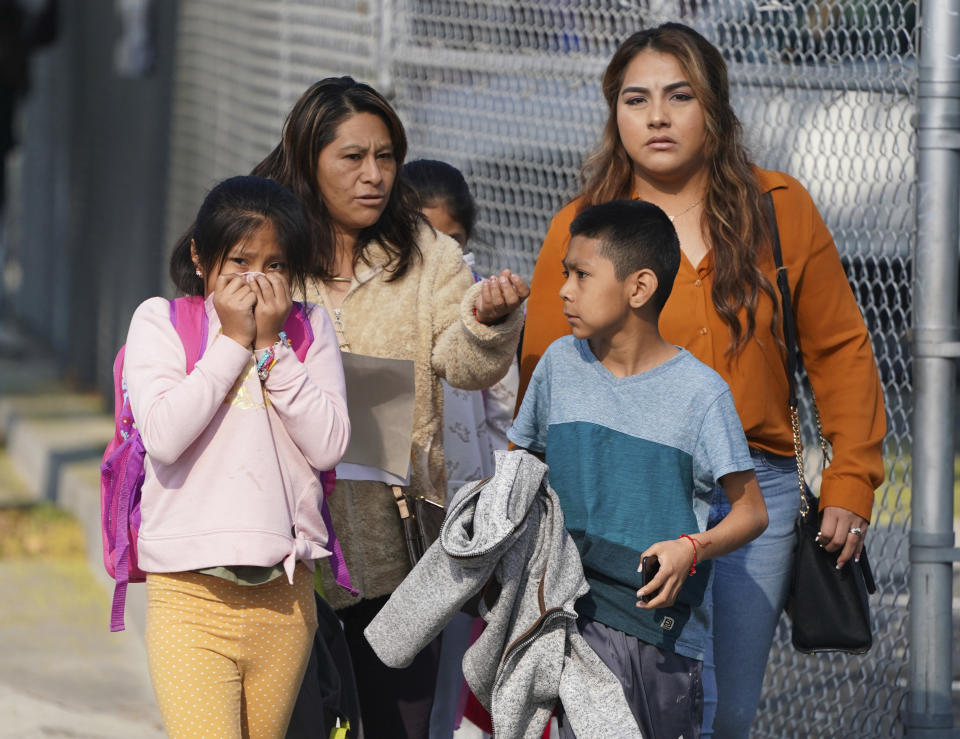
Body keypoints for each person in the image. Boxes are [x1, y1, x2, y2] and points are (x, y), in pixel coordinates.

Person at [517, 23, 887, 738]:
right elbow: (544, 369)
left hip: (756, 491)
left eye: (678, 95)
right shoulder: (580, 229)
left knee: (729, 711)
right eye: (636, 99)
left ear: (713, 106)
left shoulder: (780, 207)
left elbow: (840, 347)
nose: (656, 116)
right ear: (613, 113)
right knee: (643, 703)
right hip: (627, 494)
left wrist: (853, 478)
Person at [250, 77, 528, 739]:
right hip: (283, 548)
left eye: (386, 156)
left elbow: (464, 362)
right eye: (353, 157)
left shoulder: (429, 254)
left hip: (401, 550)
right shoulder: (266, 245)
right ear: (308, 157)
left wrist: (490, 322)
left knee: (395, 723)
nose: (374, 175)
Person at [509, 198, 768, 739]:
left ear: (639, 287)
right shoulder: (559, 364)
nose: (564, 290)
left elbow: (751, 512)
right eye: (565, 274)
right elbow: (522, 466)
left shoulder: (701, 394)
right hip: (561, 617)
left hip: (655, 634)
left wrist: (690, 549)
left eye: (582, 274)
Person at [124, 175, 351, 738]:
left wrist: (272, 347)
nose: (257, 278)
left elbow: (329, 443)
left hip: (285, 592)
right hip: (188, 593)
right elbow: (164, 434)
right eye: (240, 259)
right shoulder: (162, 322)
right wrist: (230, 342)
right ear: (201, 257)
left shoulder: (308, 329)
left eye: (275, 264)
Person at [402, 158, 520, 739]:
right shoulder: (391, 295)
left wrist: (499, 508)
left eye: (449, 238)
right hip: (396, 501)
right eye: (420, 235)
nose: (436, 250)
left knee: (452, 659)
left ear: (466, 239)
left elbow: (502, 412)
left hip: (465, 509)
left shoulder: (482, 302)